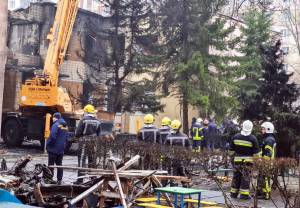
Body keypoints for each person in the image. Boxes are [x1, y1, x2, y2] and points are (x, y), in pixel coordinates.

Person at [230, 120, 261, 200]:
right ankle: (244, 195)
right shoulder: (253, 138)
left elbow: (231, 151)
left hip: (237, 161)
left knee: (236, 177)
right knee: (245, 178)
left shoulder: (236, 136)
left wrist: (233, 159)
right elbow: (256, 153)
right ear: (251, 128)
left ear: (242, 126)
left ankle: (233, 194)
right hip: (248, 162)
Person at [75, 104, 101, 183]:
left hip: (84, 141)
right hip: (93, 142)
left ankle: (80, 180)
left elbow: (77, 133)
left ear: (86, 111)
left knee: (82, 160)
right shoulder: (97, 121)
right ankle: (92, 178)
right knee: (92, 160)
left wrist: (78, 137)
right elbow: (99, 133)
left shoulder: (83, 120)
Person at [46, 112, 69, 185]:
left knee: (51, 165)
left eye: (53, 117)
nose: (52, 119)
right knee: (59, 164)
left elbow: (52, 136)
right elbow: (67, 137)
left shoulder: (55, 125)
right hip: (61, 149)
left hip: (53, 149)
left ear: (55, 117)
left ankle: (50, 179)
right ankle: (59, 180)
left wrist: (48, 144)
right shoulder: (65, 126)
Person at [257, 121, 276, 200]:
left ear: (268, 129)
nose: (262, 130)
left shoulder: (269, 140)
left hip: (267, 162)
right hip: (266, 162)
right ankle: (261, 192)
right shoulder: (268, 138)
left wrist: (264, 161)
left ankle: (266, 194)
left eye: (263, 129)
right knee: (262, 177)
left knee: (265, 178)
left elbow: (268, 153)